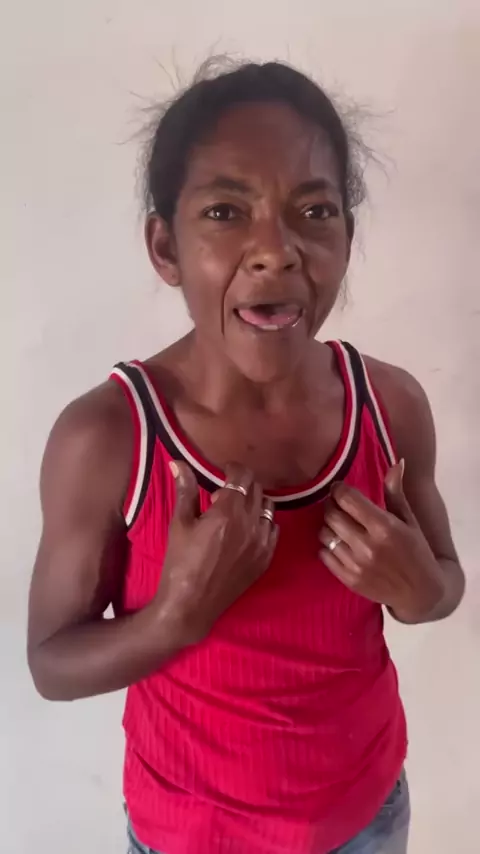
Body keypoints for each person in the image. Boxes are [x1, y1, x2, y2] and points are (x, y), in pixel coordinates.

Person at [27, 60, 465, 854]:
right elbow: (51, 665)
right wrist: (176, 617)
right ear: (165, 246)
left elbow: (444, 585)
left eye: (315, 211)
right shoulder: (110, 438)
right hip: (190, 835)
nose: (276, 250)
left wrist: (422, 588)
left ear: (347, 238)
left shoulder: (391, 406)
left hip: (367, 815)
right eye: (226, 212)